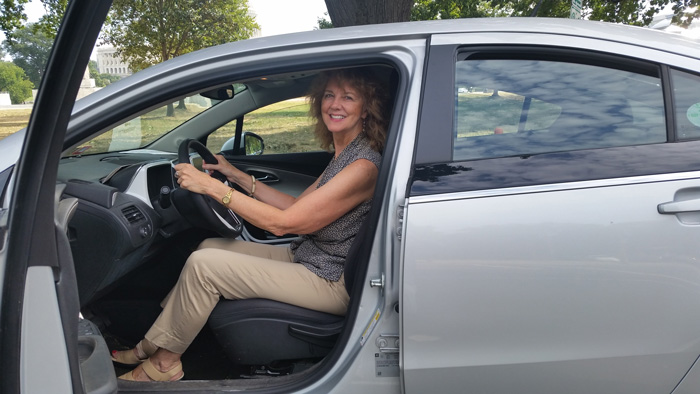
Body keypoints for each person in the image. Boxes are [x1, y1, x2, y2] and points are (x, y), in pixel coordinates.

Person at [111, 68, 389, 381]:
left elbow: (285, 223)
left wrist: (213, 187)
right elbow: (297, 206)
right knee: (208, 246)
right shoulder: (346, 154)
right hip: (311, 255)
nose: (335, 104)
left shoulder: (363, 166)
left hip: (331, 279)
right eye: (329, 95)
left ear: (366, 108)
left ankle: (163, 363)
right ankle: (156, 341)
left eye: (348, 97)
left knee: (206, 266)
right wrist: (235, 175)